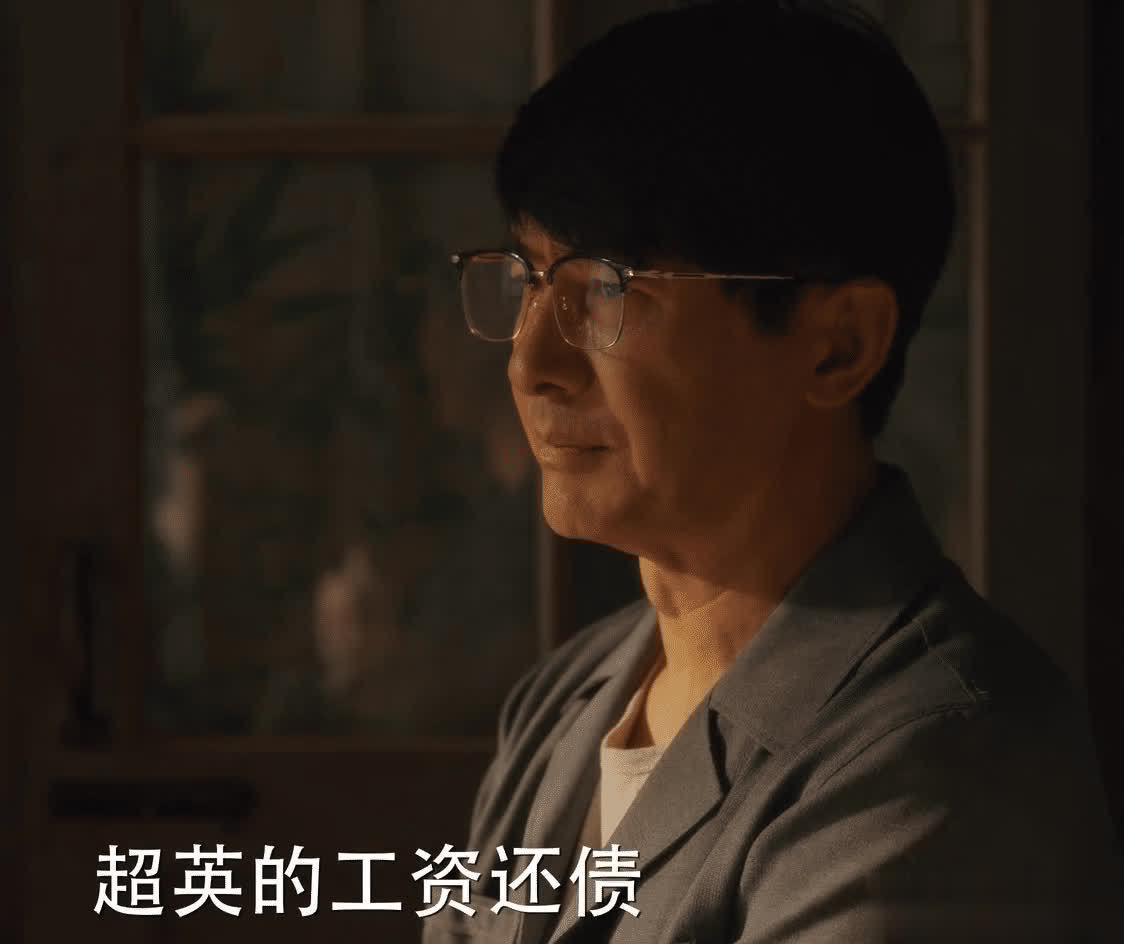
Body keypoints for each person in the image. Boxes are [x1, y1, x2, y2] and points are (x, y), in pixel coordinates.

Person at [426, 1, 1123, 941]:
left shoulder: (943, 759)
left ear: (838, 346)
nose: (530, 362)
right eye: (528, 278)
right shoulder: (567, 700)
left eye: (605, 289)